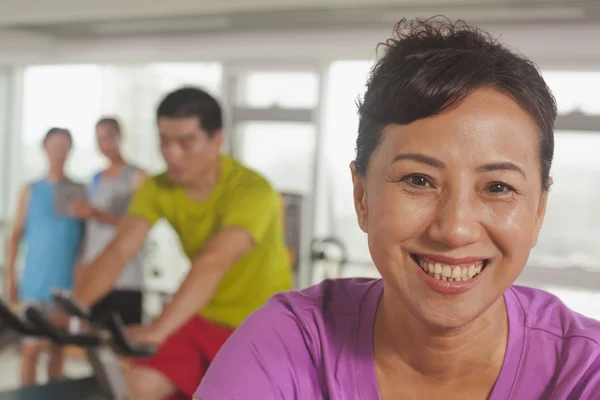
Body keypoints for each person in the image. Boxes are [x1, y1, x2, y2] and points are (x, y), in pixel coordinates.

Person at [194, 18, 600, 400]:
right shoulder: (289, 342)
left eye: (498, 187)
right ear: (362, 196)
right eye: (417, 180)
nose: (455, 229)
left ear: (538, 213)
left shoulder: (583, 372)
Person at [71, 87, 293, 399]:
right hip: (198, 316)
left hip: (258, 326)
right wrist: (73, 308)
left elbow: (213, 261)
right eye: (164, 140)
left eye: (185, 142)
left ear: (216, 139)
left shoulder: (253, 190)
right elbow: (119, 250)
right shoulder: (158, 187)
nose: (172, 153)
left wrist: (156, 331)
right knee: (132, 389)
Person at [5, 128, 84, 386]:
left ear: (70, 150)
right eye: (54, 145)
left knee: (58, 350)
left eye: (63, 146)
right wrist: (10, 278)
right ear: (45, 149)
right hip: (33, 286)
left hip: (65, 289)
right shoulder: (30, 190)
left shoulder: (78, 191)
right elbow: (15, 235)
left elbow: (84, 243)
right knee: (30, 350)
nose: (58, 152)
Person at [69, 117, 147, 326]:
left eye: (108, 137)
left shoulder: (138, 176)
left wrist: (97, 214)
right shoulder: (95, 178)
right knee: (92, 340)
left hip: (125, 274)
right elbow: (89, 232)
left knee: (124, 343)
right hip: (94, 270)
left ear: (121, 137)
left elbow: (139, 227)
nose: (104, 144)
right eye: (99, 139)